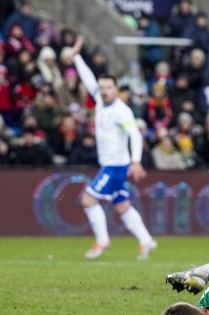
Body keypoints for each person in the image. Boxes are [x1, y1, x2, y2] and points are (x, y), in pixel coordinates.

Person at [71, 36, 157, 260]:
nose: (104, 91)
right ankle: (146, 240)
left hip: (115, 166)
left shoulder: (122, 111)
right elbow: (88, 79)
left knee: (88, 200)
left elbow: (134, 135)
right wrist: (76, 57)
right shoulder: (100, 99)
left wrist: (136, 160)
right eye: (102, 88)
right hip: (113, 165)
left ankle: (102, 241)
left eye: (108, 87)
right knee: (122, 206)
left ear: (116, 89)